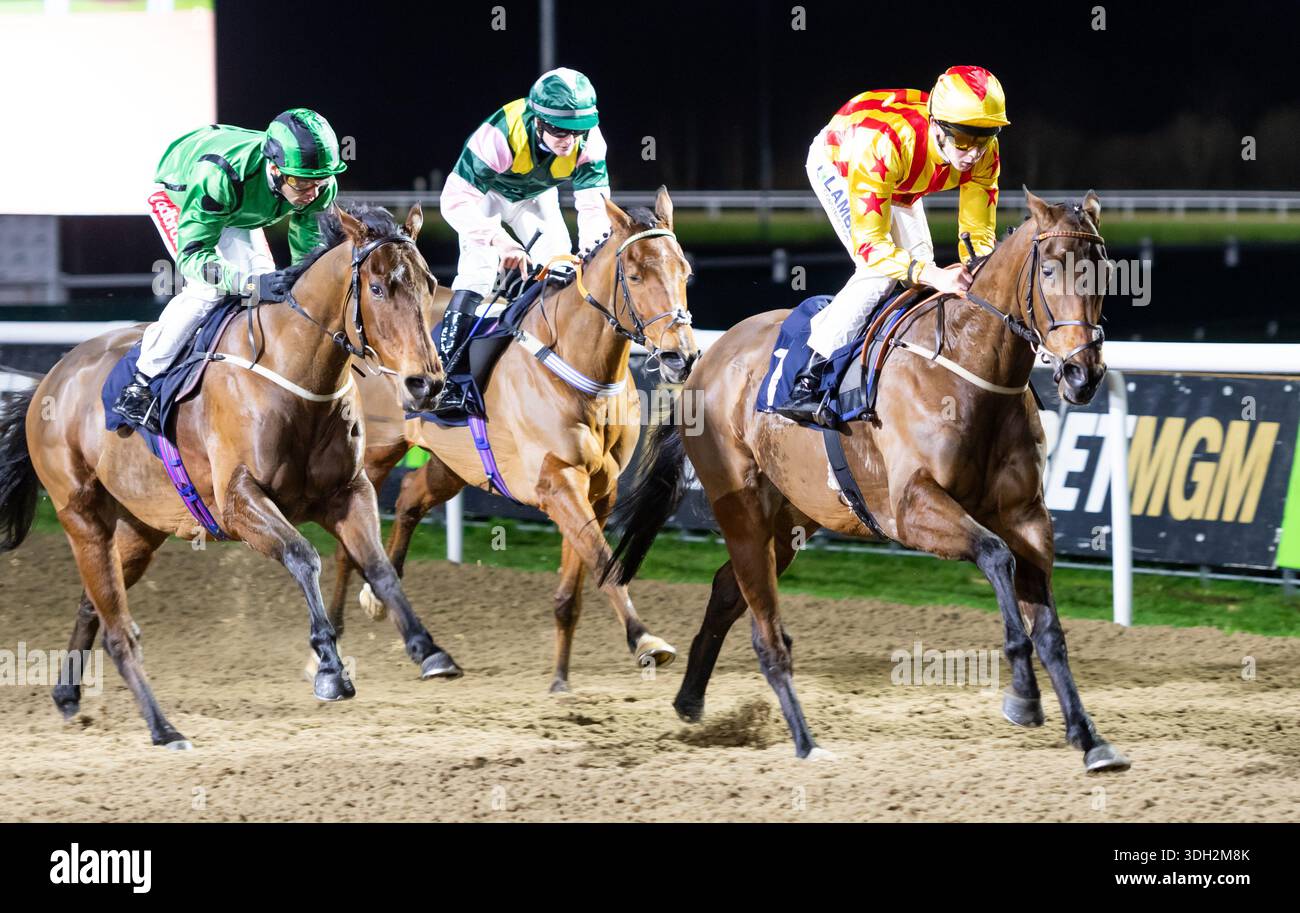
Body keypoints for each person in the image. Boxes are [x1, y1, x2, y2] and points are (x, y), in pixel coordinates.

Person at [775, 66, 1009, 427]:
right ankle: (808, 378)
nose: (973, 153)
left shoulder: (984, 153)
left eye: (985, 137)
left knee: (920, 270)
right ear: (937, 127)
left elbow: (977, 234)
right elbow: (873, 248)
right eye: (963, 139)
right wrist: (935, 276)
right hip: (845, 162)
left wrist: (978, 271)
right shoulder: (886, 146)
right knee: (879, 275)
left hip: (899, 179)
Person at [112, 109, 347, 433]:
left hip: (238, 207)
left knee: (270, 276)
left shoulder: (319, 184)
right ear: (275, 168)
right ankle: (141, 383)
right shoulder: (218, 175)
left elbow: (305, 254)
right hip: (183, 196)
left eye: (320, 182)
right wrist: (249, 284)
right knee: (210, 289)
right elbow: (194, 258)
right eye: (301, 181)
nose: (312, 192)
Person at [434, 67, 611, 416]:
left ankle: (559, 361)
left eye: (578, 131)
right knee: (479, 272)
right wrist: (500, 241)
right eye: (560, 130)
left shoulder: (591, 142)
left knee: (564, 266)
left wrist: (591, 254)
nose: (569, 141)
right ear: (537, 120)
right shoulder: (499, 135)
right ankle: (445, 379)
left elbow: (594, 207)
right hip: (485, 196)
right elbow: (453, 201)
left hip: (536, 197)